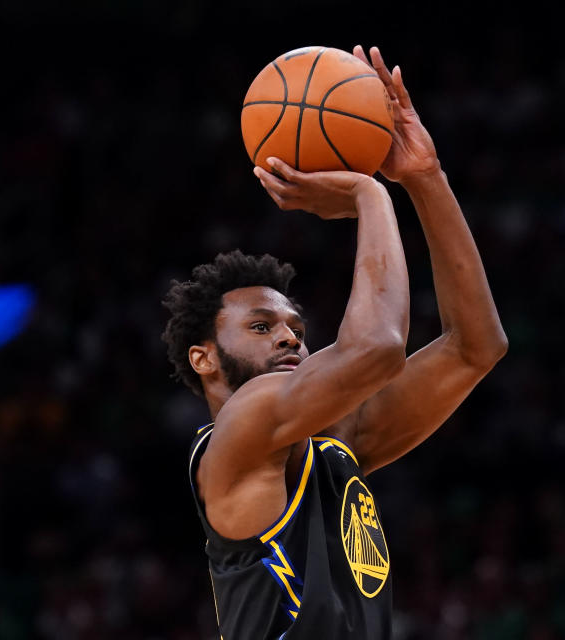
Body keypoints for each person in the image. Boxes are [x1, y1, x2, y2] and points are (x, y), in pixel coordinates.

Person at [162, 45, 507, 640]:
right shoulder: (238, 434)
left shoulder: (335, 444)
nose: (290, 337)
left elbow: (476, 346)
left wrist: (425, 179)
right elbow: (375, 349)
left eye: (295, 327)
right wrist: (368, 194)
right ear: (204, 358)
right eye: (262, 327)